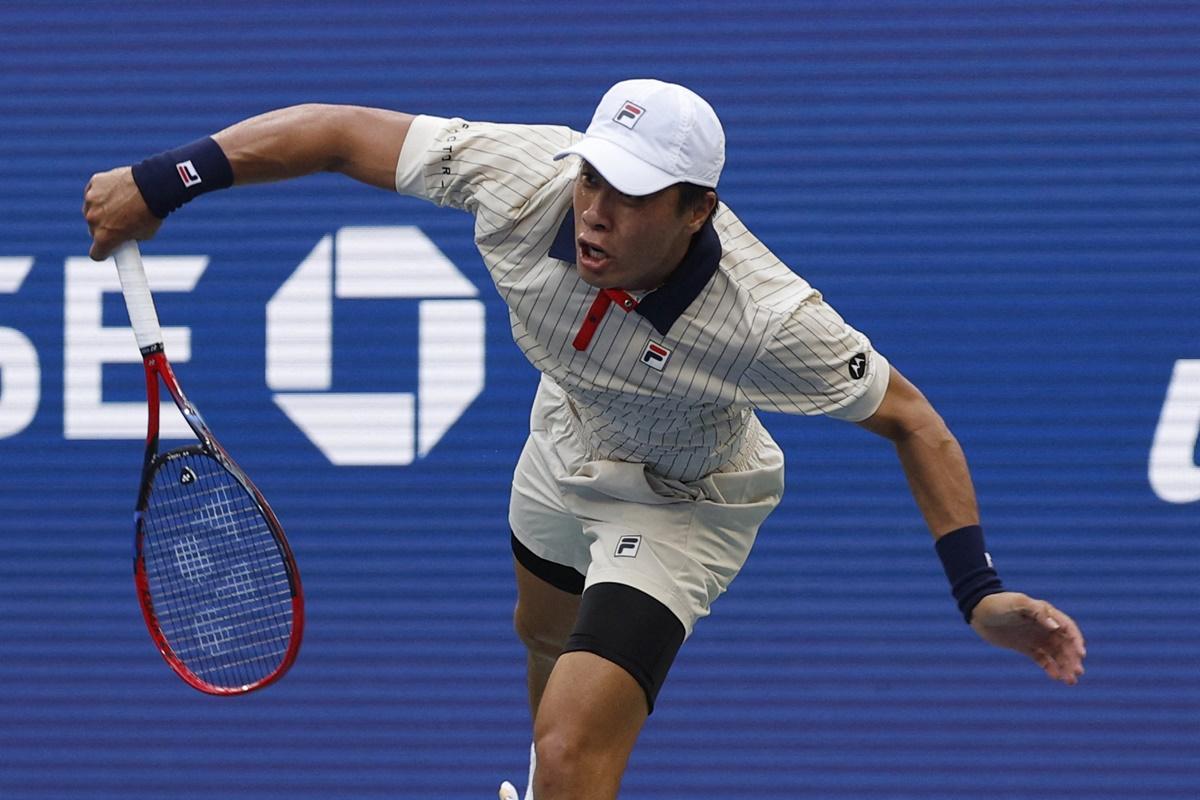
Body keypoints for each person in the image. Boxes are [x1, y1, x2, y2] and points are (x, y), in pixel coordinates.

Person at [84, 79, 1086, 800]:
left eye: (635, 195)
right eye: (595, 178)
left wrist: (979, 592)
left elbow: (913, 418)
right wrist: (167, 179)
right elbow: (342, 132)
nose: (597, 209)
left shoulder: (769, 321)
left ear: (698, 213)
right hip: (562, 441)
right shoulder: (527, 179)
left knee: (570, 749)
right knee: (542, 638)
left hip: (684, 498)